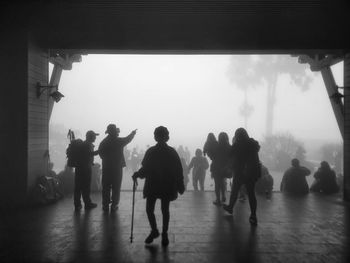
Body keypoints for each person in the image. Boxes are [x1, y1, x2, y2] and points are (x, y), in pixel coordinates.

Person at [132, 126, 185, 246]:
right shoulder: (172, 152)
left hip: (152, 185)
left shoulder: (151, 151)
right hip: (167, 185)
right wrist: (180, 184)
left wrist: (138, 174)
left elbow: (145, 169)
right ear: (167, 137)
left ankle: (154, 230)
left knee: (149, 209)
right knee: (165, 210)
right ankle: (164, 234)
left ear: (155, 137)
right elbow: (178, 170)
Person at [223, 128, 261, 226]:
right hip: (251, 172)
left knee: (234, 191)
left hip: (239, 172)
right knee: (251, 194)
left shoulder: (237, 145)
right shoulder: (253, 144)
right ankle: (253, 215)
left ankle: (231, 207)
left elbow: (229, 154)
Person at [98, 124, 137, 212]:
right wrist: (133, 133)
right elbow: (127, 139)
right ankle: (114, 205)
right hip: (117, 168)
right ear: (115, 132)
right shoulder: (118, 141)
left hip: (107, 167)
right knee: (116, 186)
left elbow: (100, 154)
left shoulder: (103, 142)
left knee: (106, 187)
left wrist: (107, 160)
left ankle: (105, 205)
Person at [74, 130, 99, 210]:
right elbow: (89, 154)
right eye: (94, 136)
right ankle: (87, 203)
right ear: (90, 137)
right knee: (85, 187)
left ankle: (78, 204)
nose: (95, 138)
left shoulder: (85, 144)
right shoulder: (86, 145)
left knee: (78, 187)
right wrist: (99, 151)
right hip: (85, 169)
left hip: (80, 168)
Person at [211, 132, 231, 205]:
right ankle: (223, 196)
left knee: (217, 184)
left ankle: (218, 199)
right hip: (225, 168)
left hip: (216, 168)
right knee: (222, 182)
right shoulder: (229, 147)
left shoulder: (216, 147)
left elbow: (212, 157)